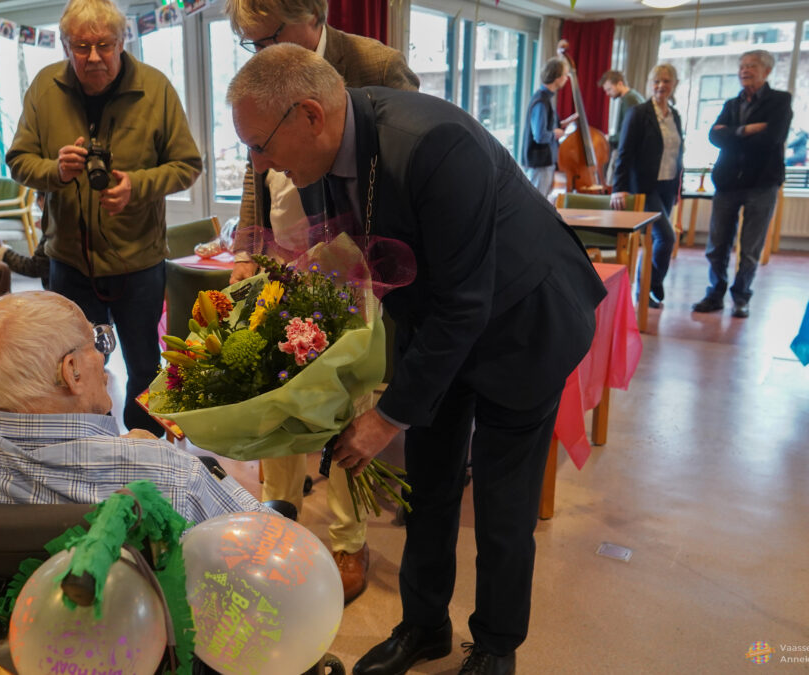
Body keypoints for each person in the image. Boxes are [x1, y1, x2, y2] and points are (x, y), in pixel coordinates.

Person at [228, 44, 606, 674]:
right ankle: (424, 626)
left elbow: (467, 304)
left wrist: (388, 416)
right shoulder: (319, 159)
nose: (256, 162)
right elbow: (355, 262)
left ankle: (495, 647)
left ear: (311, 116)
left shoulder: (434, 143)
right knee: (426, 488)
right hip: (437, 324)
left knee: (501, 507)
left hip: (525, 319)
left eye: (260, 144)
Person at [224, 0, 419, 603]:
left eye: (268, 38)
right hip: (282, 257)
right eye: (248, 44)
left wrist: (353, 261)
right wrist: (246, 253)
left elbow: (404, 173)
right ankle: (276, 509)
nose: (259, 53)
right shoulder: (263, 81)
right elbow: (258, 167)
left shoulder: (374, 63)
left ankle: (348, 536)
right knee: (272, 388)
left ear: (311, 14)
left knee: (345, 399)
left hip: (354, 261)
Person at [7, 0, 202, 437]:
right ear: (63, 45)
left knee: (145, 366)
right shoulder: (43, 87)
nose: (93, 56)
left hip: (140, 261)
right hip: (70, 263)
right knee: (71, 369)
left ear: (123, 41)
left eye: (104, 45)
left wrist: (138, 186)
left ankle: (144, 451)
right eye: (81, 46)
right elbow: (18, 160)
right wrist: (54, 171)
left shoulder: (156, 88)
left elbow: (188, 165)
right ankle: (86, 449)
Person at [0, 291, 268, 524]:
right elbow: (266, 546)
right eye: (93, 342)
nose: (102, 356)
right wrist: (151, 454)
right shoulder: (168, 476)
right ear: (71, 371)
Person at [692, 49, 793, 319]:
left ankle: (741, 297)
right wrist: (746, 130)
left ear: (767, 71)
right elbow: (714, 137)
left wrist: (731, 134)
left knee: (749, 249)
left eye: (751, 66)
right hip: (727, 183)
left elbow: (771, 139)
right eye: (742, 66)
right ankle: (715, 294)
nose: (744, 71)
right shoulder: (731, 104)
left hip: (762, 184)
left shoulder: (780, 101)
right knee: (716, 246)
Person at [610, 63, 683, 309]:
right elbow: (624, 152)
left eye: (666, 81)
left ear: (674, 85)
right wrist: (618, 187)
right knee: (666, 238)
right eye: (656, 81)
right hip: (645, 187)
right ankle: (651, 285)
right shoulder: (638, 113)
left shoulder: (675, 116)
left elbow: (676, 153)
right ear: (650, 84)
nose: (661, 86)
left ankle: (646, 289)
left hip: (667, 186)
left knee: (655, 242)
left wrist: (677, 189)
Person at [521, 57, 568, 198]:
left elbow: (546, 126)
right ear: (557, 78)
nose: (566, 78)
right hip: (540, 163)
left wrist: (561, 125)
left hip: (545, 162)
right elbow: (540, 136)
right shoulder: (541, 101)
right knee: (536, 203)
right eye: (565, 75)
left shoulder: (545, 98)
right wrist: (555, 134)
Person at [598, 70, 645, 156]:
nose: (607, 93)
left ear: (620, 84)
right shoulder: (633, 96)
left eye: (609, 89)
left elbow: (629, 131)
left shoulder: (629, 99)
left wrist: (610, 138)